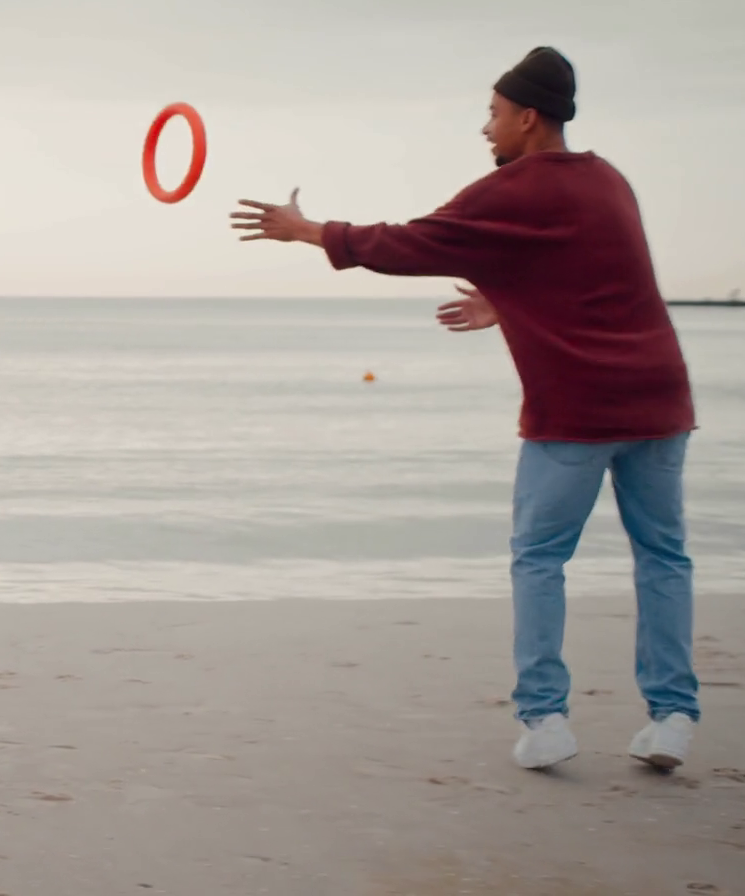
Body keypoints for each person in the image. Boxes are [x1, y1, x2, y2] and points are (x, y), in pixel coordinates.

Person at [229, 47, 700, 773]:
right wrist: (507, 303)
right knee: (663, 556)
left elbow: (410, 243)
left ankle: (545, 719)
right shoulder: (609, 181)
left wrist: (307, 229)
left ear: (528, 117)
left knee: (539, 559)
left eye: (493, 113)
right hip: (660, 399)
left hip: (578, 412)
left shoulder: (512, 189)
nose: (486, 128)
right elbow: (595, 277)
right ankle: (672, 719)